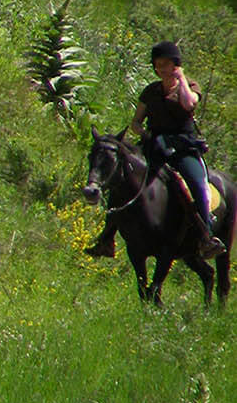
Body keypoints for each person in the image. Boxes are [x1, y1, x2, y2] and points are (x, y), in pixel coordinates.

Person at [84, 41, 225, 259]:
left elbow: (189, 105)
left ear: (176, 65)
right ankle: (107, 238)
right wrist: (145, 134)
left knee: (196, 182)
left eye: (166, 64)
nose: (161, 69)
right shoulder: (150, 91)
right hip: (155, 144)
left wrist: (181, 80)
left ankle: (206, 236)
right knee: (123, 178)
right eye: (157, 65)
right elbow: (136, 123)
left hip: (183, 146)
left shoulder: (190, 86)